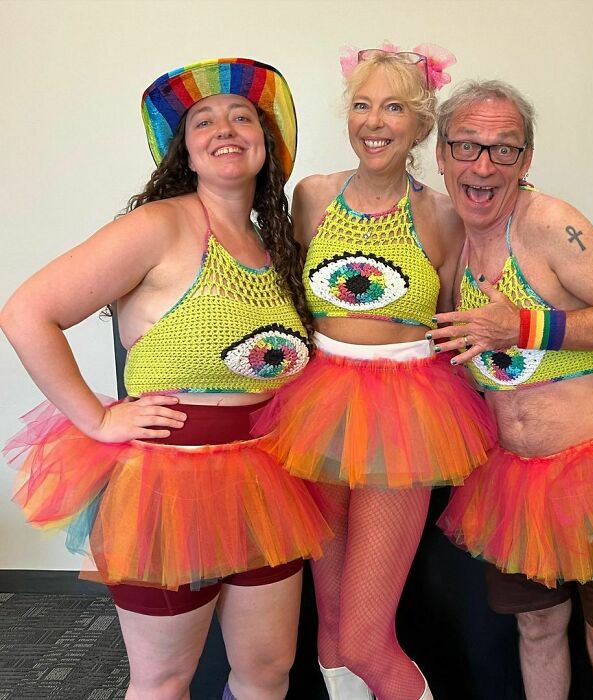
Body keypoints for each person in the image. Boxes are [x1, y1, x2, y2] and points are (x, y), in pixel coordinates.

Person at [1, 57, 332, 700]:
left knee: (267, 672)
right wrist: (96, 419)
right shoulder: (159, 225)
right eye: (202, 121)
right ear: (184, 148)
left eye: (242, 117)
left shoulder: (273, 244)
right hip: (166, 485)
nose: (224, 128)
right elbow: (26, 313)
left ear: (268, 143)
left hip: (263, 480)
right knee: (163, 679)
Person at [430, 79, 593, 700]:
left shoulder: (550, 222)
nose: (483, 165)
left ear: (526, 159)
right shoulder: (449, 235)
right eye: (467, 146)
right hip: (514, 481)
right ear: (442, 155)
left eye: (504, 149)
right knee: (537, 631)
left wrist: (523, 325)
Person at [253, 45, 495, 700]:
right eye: (362, 105)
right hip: (317, 405)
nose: (374, 121)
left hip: (405, 415)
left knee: (365, 636)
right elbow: (290, 295)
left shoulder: (443, 214)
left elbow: (449, 321)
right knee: (329, 625)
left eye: (393, 107)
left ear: (420, 124)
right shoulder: (312, 196)